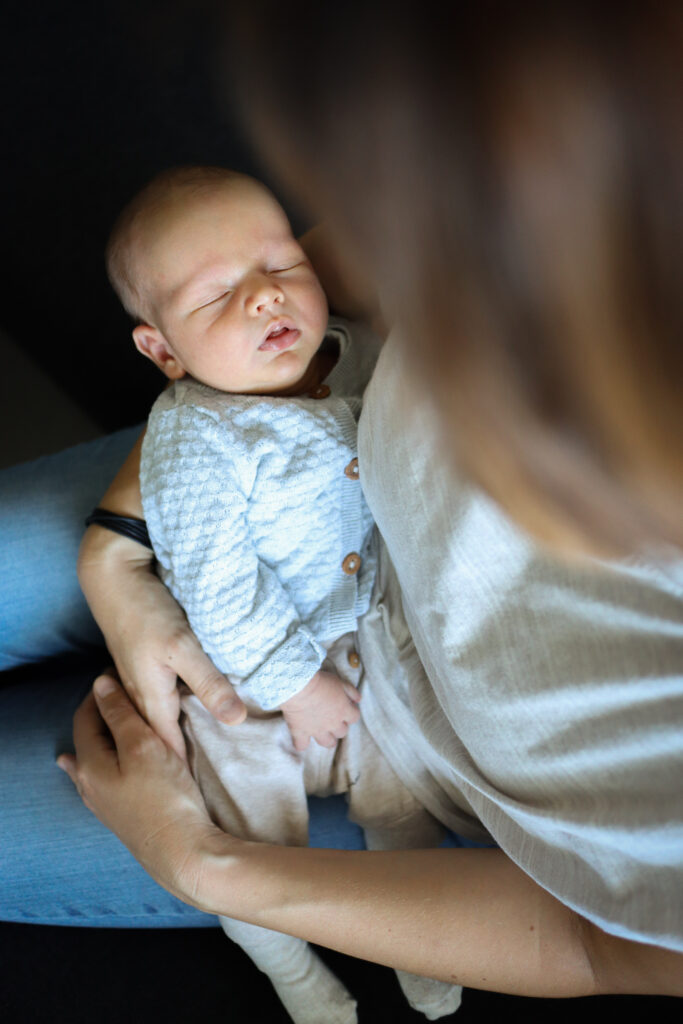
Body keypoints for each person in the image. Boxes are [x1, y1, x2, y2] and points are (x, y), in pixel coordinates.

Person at [2, 0, 682, 1003]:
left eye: (279, 272)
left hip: (372, 712)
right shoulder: (576, 149)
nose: (271, 291)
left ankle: (292, 959)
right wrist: (116, 544)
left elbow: (609, 949)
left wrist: (200, 860)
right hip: (260, 515)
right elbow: (328, 287)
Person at [102, 163, 459, 1022]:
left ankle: (410, 935)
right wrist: (293, 684)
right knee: (244, 844)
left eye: (280, 264)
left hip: (366, 639)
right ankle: (291, 971)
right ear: (163, 351)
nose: (266, 297)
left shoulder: (353, 353)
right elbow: (221, 589)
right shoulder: (196, 437)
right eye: (218, 293)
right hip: (245, 676)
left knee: (403, 802)